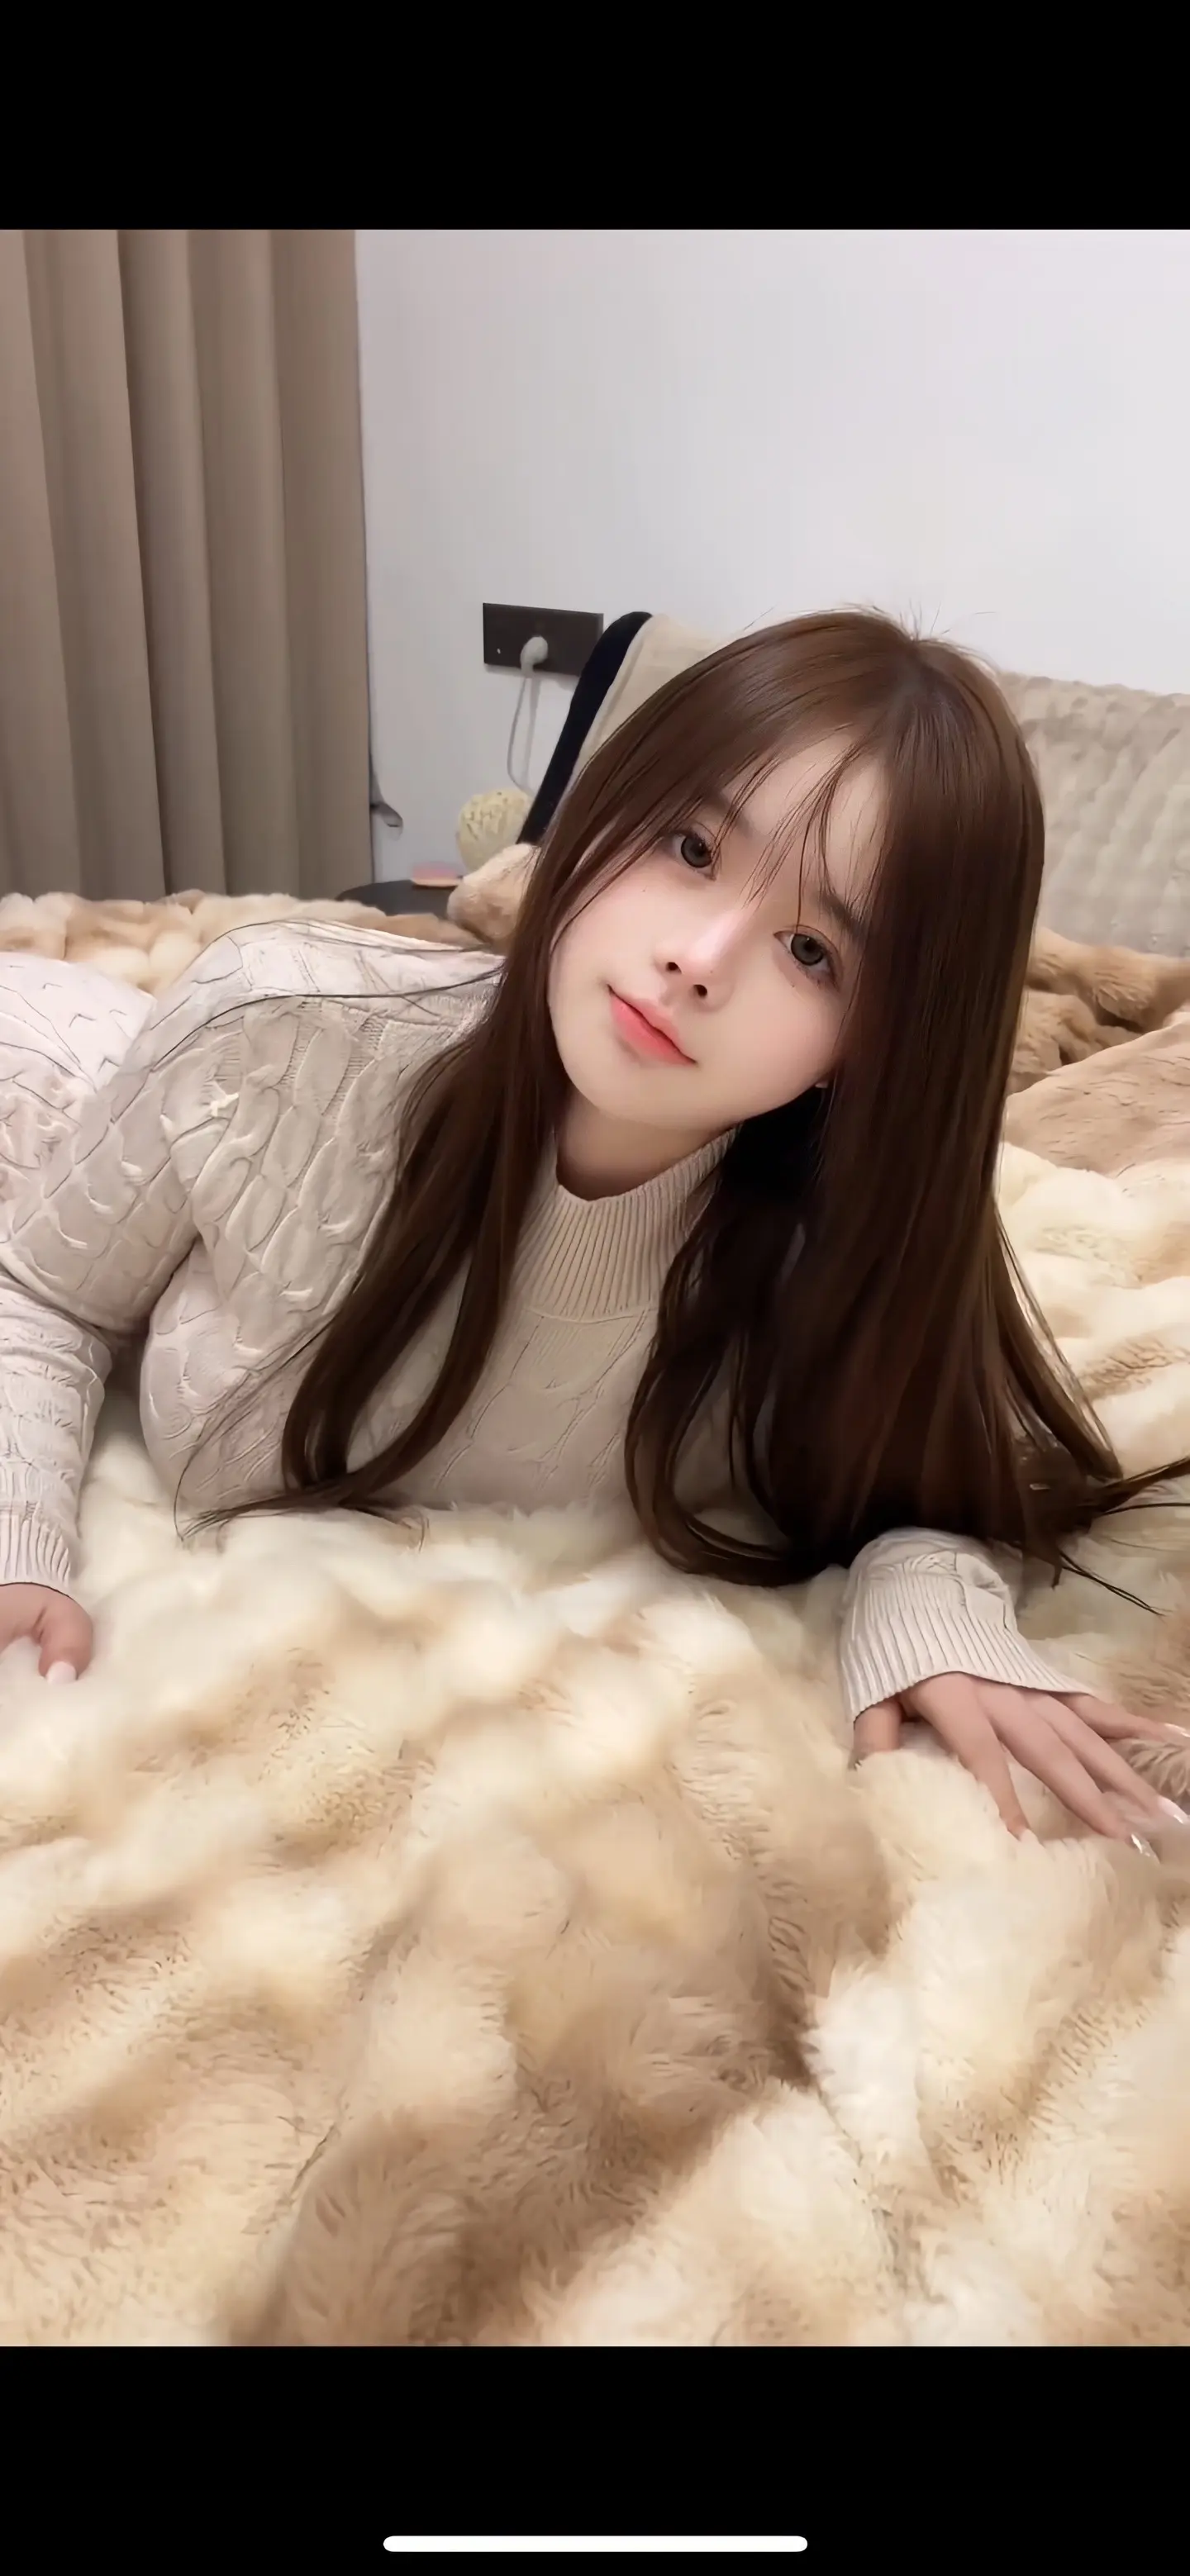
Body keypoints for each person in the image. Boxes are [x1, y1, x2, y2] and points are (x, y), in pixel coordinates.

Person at [0, 611, 1185, 1849]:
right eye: (691, 845)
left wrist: (928, 1611)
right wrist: (22, 1539)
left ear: (870, 1045)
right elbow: (42, 1284)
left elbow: (942, 1480)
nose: (697, 959)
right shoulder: (267, 1023)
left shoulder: (828, 1257)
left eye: (811, 949)